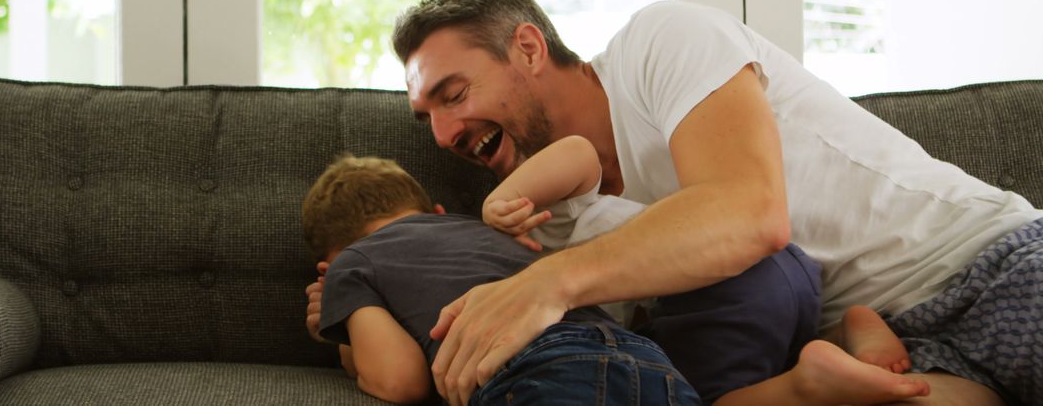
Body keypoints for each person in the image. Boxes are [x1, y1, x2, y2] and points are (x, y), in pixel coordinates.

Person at [380, 0, 1041, 405]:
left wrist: (547, 284)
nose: (441, 134)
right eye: (426, 118)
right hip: (889, 356)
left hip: (986, 265)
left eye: (454, 95)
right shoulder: (553, 216)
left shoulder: (659, 42)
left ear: (527, 48)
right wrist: (366, 293)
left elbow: (750, 213)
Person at [303, 154, 930, 406]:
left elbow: (398, 380)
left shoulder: (357, 268)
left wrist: (343, 329)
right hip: (641, 351)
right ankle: (804, 385)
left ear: (333, 260)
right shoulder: (484, 229)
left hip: (540, 374)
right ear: (436, 211)